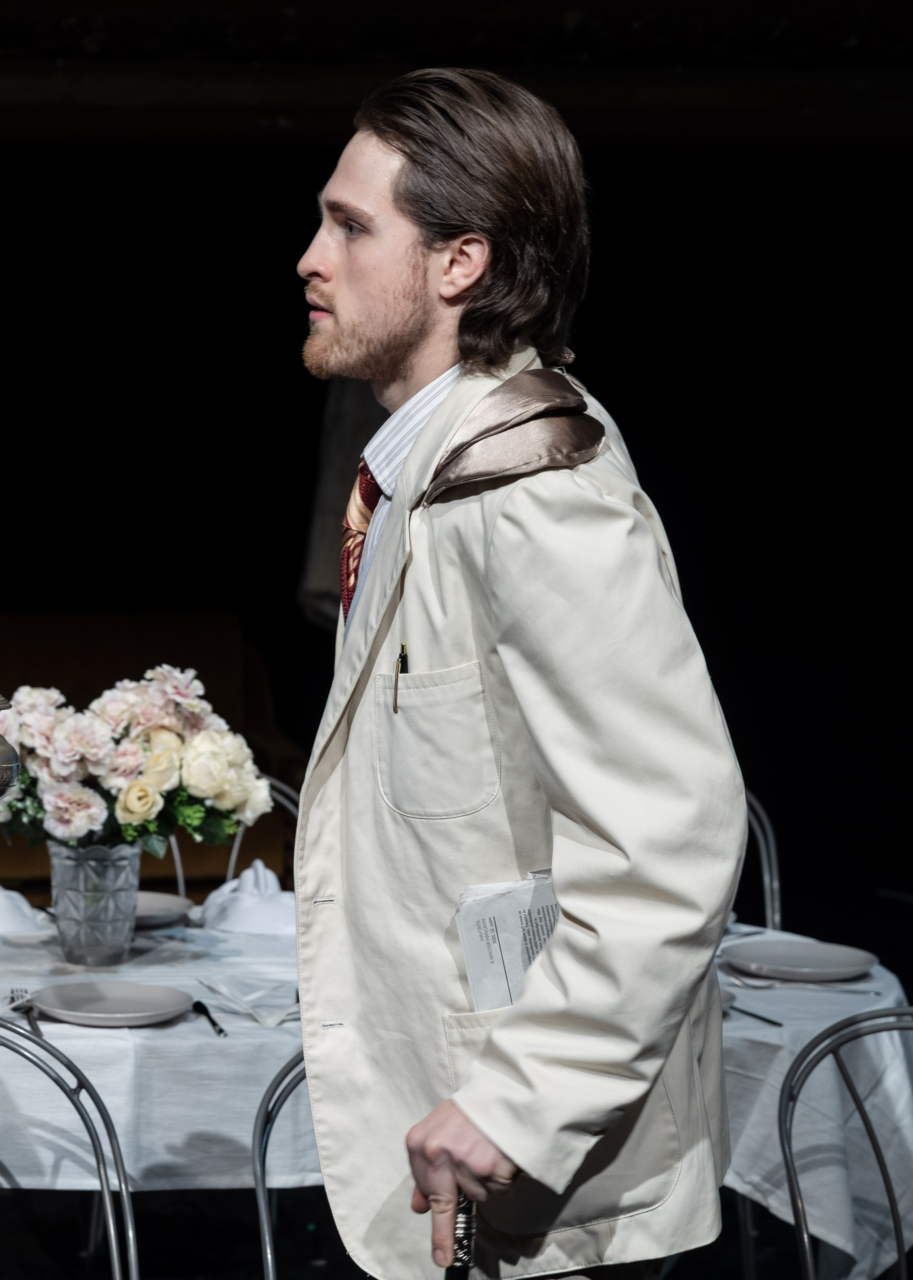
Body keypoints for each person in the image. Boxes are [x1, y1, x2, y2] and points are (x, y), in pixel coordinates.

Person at [290, 69, 743, 1279]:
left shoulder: (535, 487)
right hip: (451, 1145)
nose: (310, 258)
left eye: (350, 226)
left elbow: (671, 837)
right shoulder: (427, 471)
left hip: (529, 1170)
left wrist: (524, 1097)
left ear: (460, 263)